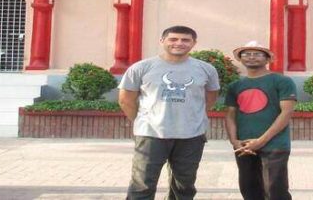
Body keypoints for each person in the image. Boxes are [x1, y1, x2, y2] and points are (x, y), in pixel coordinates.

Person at [118, 25, 220, 200]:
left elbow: (209, 98)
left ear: (194, 43)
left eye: (185, 40)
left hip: (191, 135)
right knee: (142, 185)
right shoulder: (141, 67)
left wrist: (191, 116)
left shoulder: (206, 69)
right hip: (151, 134)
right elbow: (125, 99)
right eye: (173, 39)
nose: (179, 43)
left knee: (184, 186)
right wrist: (143, 120)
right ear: (162, 41)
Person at [224, 41, 297, 200]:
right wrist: (235, 141)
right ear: (240, 58)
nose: (251, 57)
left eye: (257, 54)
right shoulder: (235, 86)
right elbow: (230, 115)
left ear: (267, 59)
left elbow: (286, 113)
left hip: (275, 145)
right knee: (249, 189)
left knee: (275, 191)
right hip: (244, 146)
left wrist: (261, 140)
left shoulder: (282, 81)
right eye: (246, 54)